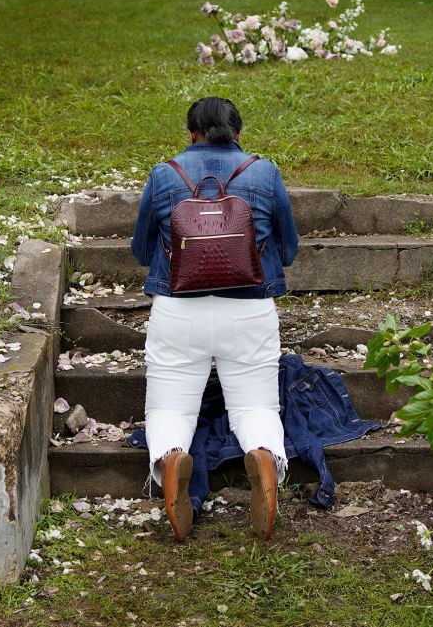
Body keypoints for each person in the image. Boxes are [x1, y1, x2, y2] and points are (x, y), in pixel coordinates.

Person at [130, 97, 299, 542]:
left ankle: (170, 458)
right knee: (255, 406)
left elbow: (140, 250)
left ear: (191, 134)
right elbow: (290, 249)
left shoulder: (165, 173)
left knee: (169, 407)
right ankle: (263, 457)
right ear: (239, 134)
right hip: (249, 310)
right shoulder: (264, 172)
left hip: (177, 310)